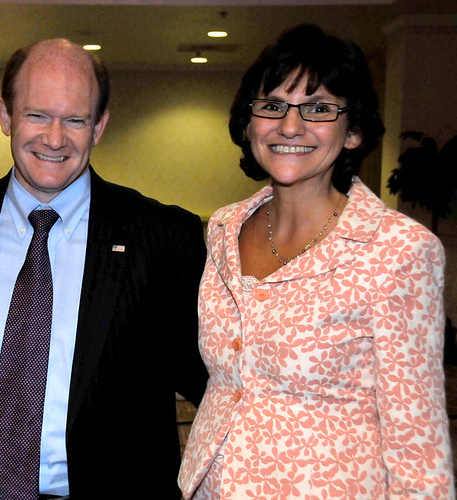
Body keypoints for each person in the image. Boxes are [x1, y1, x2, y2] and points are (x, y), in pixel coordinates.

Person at [0, 38, 207, 499]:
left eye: (75, 119)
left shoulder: (164, 239)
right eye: (37, 115)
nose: (54, 138)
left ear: (100, 126)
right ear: (5, 116)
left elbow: (216, 382)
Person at [178, 24, 453, 498]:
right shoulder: (223, 229)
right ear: (249, 124)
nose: (290, 126)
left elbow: (418, 442)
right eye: (272, 105)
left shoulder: (399, 251)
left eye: (320, 108)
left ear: (354, 131)